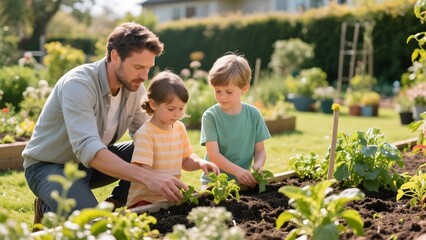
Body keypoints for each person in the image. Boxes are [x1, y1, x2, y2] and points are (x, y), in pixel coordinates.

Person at [22, 22, 189, 226]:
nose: (145, 76)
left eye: (148, 68)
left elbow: (151, 133)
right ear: (115, 56)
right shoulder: (79, 84)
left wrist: (178, 167)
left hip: (90, 167)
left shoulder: (134, 86)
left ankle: (117, 203)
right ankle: (47, 207)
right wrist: (148, 177)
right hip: (49, 167)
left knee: (144, 146)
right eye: (138, 67)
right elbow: (88, 148)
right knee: (93, 225)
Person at [126, 70, 220, 208]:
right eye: (171, 109)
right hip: (145, 201)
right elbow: (144, 172)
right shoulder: (146, 133)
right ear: (153, 104)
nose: (177, 114)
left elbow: (186, 160)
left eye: (181, 108)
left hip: (170, 198)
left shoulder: (179, 128)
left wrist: (200, 162)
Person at [200, 53, 271, 188]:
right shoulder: (210, 116)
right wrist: (237, 171)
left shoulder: (254, 114)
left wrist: (258, 165)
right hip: (215, 184)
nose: (222, 97)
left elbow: (260, 151)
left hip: (242, 182)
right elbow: (214, 154)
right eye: (217, 91)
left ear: (244, 88)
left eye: (229, 91)